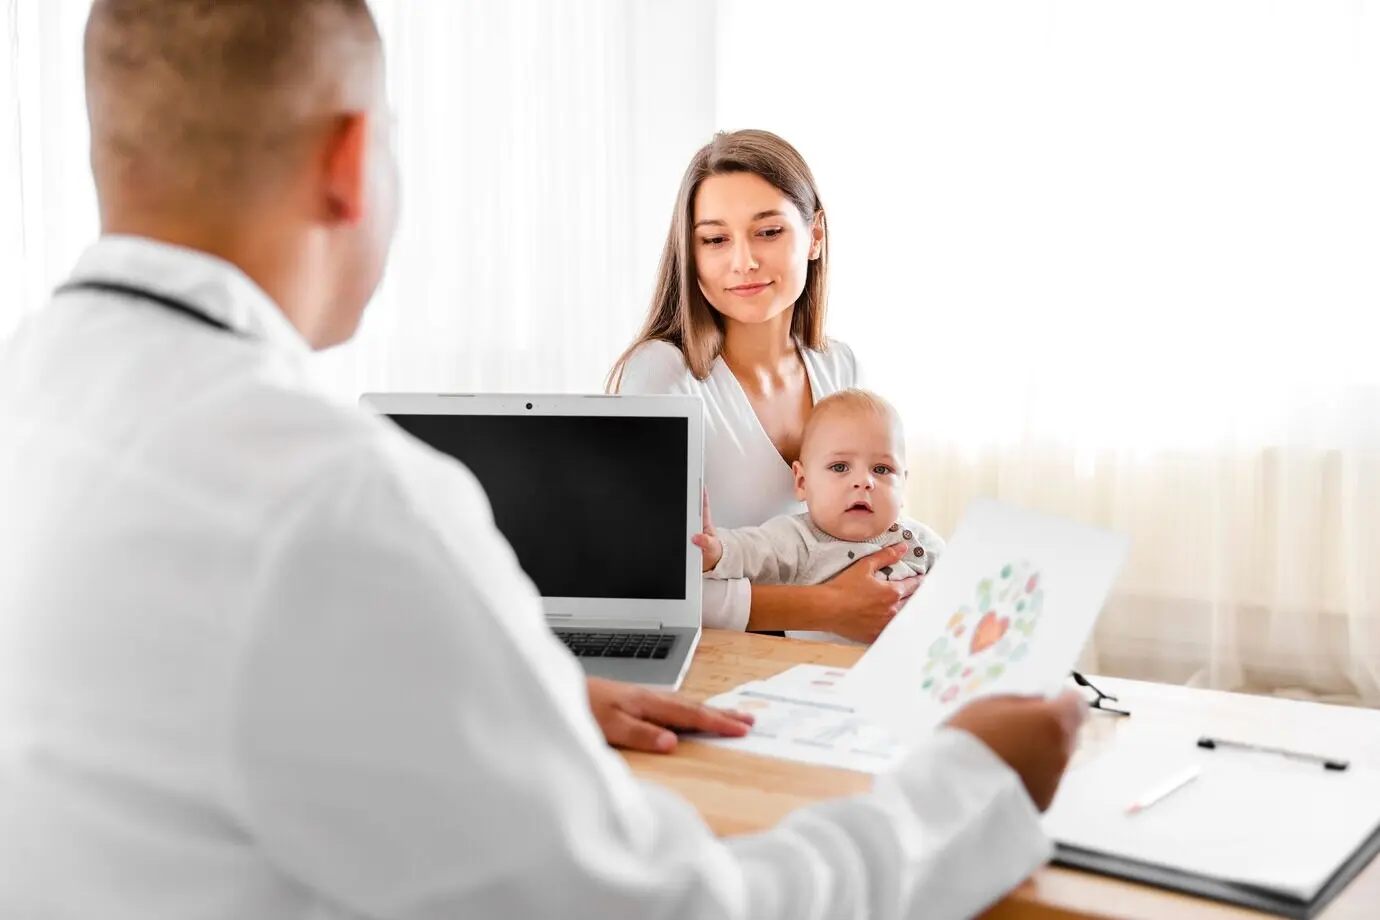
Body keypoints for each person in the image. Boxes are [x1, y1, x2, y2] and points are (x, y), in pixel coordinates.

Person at [0, 3, 1087, 918]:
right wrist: (968, 783)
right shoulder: (344, 501)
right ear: (350, 162)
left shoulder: (34, 399)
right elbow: (660, 908)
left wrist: (535, 693)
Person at [610, 128, 918, 644]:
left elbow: (876, 529)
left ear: (815, 235)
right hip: (718, 660)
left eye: (768, 232)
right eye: (715, 239)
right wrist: (828, 607)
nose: (743, 262)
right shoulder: (662, 375)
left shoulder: (838, 366)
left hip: (826, 658)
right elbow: (647, 584)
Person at [696, 388, 944, 645]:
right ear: (802, 482)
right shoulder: (798, 538)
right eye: (840, 467)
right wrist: (716, 552)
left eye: (881, 469)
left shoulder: (920, 539)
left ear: (902, 486)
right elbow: (749, 549)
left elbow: (961, 582)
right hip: (815, 667)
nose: (864, 481)